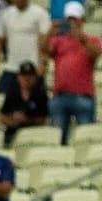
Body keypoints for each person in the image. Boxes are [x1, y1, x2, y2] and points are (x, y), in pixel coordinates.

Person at [46, 4, 102, 144]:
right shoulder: (59, 41)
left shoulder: (92, 40)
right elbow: (43, 50)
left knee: (87, 139)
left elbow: (95, 53)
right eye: (69, 20)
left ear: (82, 20)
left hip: (83, 96)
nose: (72, 24)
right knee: (57, 140)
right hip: (61, 97)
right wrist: (50, 32)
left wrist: (82, 39)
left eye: (75, 20)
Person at [0, 61, 51, 145]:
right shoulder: (12, 94)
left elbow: (44, 119)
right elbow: (2, 116)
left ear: (35, 78)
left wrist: (27, 120)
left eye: (30, 76)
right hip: (13, 132)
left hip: (34, 133)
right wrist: (13, 121)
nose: (27, 79)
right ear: (19, 77)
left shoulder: (40, 95)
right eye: (24, 76)